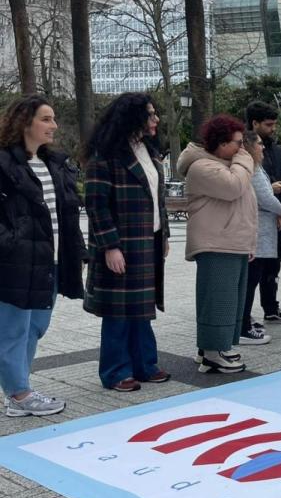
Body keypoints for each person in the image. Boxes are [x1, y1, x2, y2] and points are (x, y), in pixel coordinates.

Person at [0, 95, 85, 417]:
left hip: (51, 261)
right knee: (13, 329)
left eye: (53, 119)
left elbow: (67, 213)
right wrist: (11, 243)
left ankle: (17, 390)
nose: (54, 125)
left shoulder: (54, 164)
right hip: (16, 261)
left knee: (36, 326)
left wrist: (77, 250)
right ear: (25, 122)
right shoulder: (4, 163)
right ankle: (19, 393)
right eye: (46, 119)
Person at [84, 93, 171, 392]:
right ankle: (116, 371)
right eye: (149, 114)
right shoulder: (105, 154)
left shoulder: (149, 150)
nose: (155, 119)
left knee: (141, 308)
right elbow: (96, 204)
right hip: (122, 243)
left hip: (148, 241)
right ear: (131, 118)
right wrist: (110, 245)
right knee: (118, 311)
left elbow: (157, 197)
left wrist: (165, 235)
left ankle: (145, 365)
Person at [178, 115, 256, 373]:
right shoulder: (202, 167)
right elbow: (233, 188)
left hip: (232, 241)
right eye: (237, 143)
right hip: (216, 243)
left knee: (230, 300)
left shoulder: (224, 164)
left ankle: (216, 346)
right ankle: (213, 351)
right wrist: (246, 160)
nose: (241, 148)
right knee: (218, 299)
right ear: (221, 144)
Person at [246, 101, 281, 324]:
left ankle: (271, 308)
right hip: (258, 219)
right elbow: (257, 189)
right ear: (254, 123)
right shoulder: (245, 151)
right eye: (268, 124)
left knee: (273, 266)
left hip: (276, 214)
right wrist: (273, 196)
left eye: (274, 124)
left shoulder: (275, 149)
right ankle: (244, 317)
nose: (273, 128)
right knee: (254, 271)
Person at [238, 131, 281, 346]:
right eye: (259, 144)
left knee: (251, 280)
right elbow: (265, 197)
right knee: (251, 280)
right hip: (257, 233)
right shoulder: (252, 168)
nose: (263, 147)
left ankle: (245, 319)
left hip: (260, 230)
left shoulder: (254, 167)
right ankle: (243, 325)